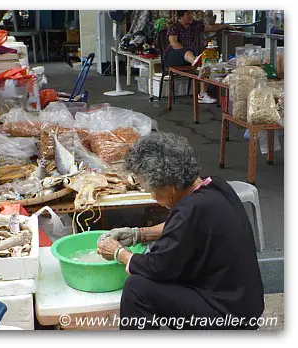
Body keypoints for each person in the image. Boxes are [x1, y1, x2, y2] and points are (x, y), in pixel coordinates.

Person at [97, 132, 264, 330]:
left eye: (153, 189)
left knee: (138, 289)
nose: (152, 195)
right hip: (244, 303)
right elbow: (181, 228)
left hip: (227, 315)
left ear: (171, 186)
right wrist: (139, 234)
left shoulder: (190, 210)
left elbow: (157, 268)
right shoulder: (215, 186)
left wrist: (119, 253)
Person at [163, 10, 234, 104]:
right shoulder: (174, 27)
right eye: (188, 14)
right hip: (173, 57)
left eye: (191, 13)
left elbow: (211, 27)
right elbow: (174, 43)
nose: (191, 16)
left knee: (206, 64)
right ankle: (195, 60)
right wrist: (186, 52)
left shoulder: (195, 25)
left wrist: (225, 25)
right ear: (181, 16)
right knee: (190, 53)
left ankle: (202, 95)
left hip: (190, 57)